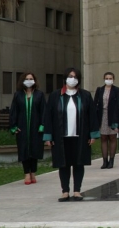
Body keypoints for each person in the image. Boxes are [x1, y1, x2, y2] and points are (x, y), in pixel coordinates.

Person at [43, 68, 100, 202]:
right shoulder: (55, 96)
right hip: (61, 137)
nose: (72, 79)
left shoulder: (85, 95)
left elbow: (92, 115)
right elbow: (48, 117)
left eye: (75, 76)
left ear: (78, 79)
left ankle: (77, 191)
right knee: (64, 164)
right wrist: (48, 136)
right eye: (70, 76)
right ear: (65, 78)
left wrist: (93, 135)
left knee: (78, 163)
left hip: (80, 136)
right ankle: (65, 191)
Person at [9, 72, 46, 185]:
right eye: (27, 78)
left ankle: (33, 172)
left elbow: (44, 111)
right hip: (22, 127)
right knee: (24, 150)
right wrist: (14, 127)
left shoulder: (39, 95)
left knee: (35, 149)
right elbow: (13, 111)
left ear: (34, 80)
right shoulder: (18, 95)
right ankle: (26, 173)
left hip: (36, 127)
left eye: (31, 78)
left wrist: (42, 125)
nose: (29, 80)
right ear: (23, 81)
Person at [94, 72, 119, 169]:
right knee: (104, 138)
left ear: (113, 79)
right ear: (104, 79)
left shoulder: (116, 90)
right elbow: (95, 103)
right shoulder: (100, 90)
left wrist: (117, 121)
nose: (108, 79)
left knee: (112, 138)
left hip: (113, 116)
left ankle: (112, 160)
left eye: (110, 78)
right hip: (102, 116)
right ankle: (105, 161)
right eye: (107, 78)